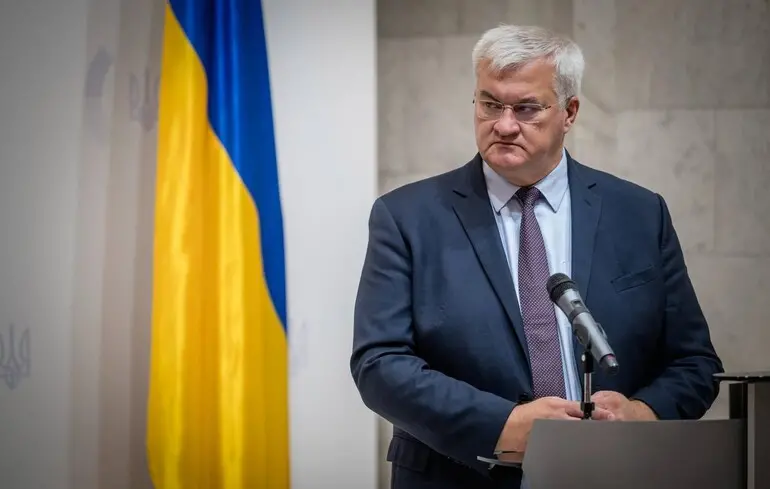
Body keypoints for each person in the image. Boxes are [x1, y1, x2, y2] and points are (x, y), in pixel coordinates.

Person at [350, 24, 723, 489]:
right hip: (458, 475)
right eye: (490, 104)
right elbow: (379, 364)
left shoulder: (639, 213)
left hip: (613, 474)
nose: (504, 125)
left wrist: (643, 414)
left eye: (527, 108)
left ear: (569, 112)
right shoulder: (407, 217)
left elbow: (695, 362)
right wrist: (501, 426)